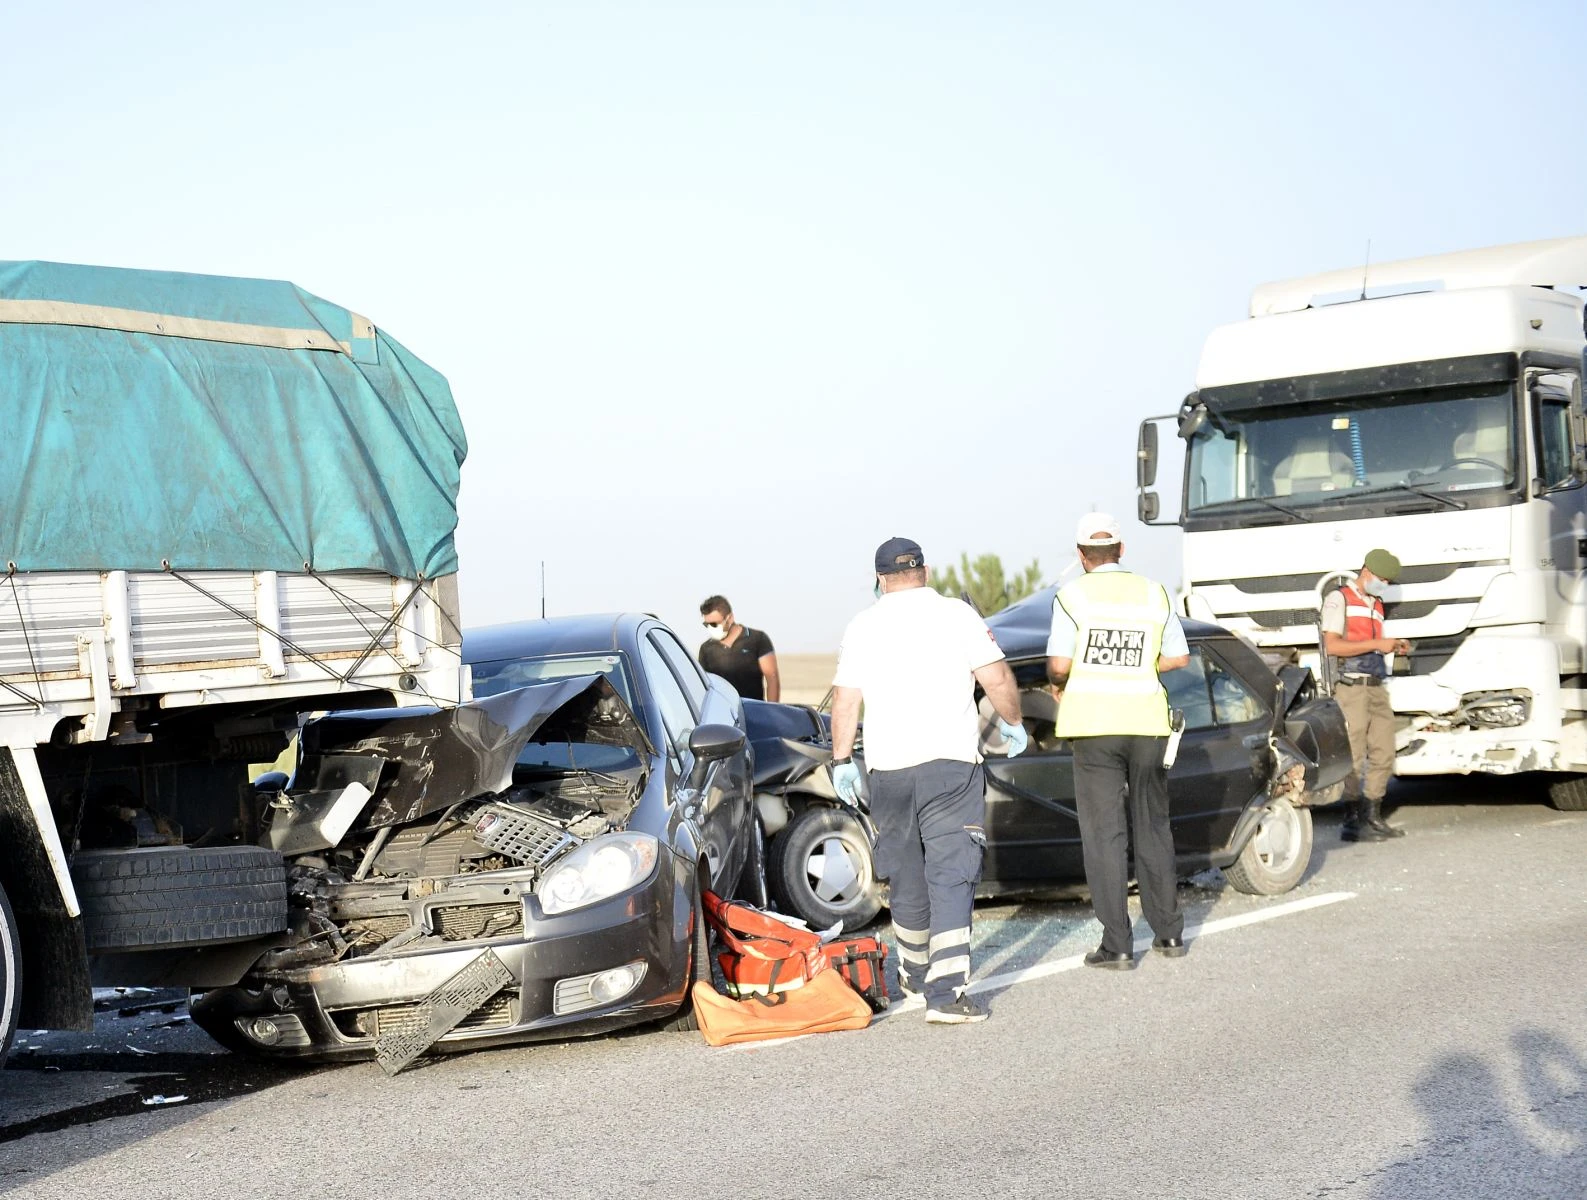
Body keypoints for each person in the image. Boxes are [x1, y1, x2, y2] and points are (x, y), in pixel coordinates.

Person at [829, 537, 1027, 1024]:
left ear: (879, 578)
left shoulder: (862, 625)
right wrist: (1014, 722)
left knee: (906, 873)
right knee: (952, 871)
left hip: (888, 770)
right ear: (925, 570)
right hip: (950, 766)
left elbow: (845, 701)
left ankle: (915, 975)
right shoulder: (956, 615)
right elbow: (997, 677)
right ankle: (946, 994)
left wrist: (841, 760)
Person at [1047, 512, 1190, 970]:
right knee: (1153, 826)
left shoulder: (1070, 596)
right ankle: (1169, 935)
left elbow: (1058, 666)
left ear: (1081, 555)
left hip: (1094, 728)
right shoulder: (1155, 592)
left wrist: (1066, 679)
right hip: (1148, 723)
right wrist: (1138, 665)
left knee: (1105, 835)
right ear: (1122, 550)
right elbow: (1178, 657)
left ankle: (1118, 945)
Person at [1320, 548, 1409, 843]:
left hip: (1376, 685)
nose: (1383, 585)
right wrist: (1377, 643)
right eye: (1381, 579)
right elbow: (1331, 646)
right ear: (1366, 572)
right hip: (1352, 687)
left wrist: (1393, 645)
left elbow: (1372, 644)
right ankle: (1352, 819)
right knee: (1354, 755)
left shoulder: (1376, 603)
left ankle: (1372, 815)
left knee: (1385, 750)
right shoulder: (1339, 599)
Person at [697, 595, 780, 701]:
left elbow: (771, 677)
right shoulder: (706, 649)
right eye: (706, 624)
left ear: (729, 618)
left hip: (753, 710)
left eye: (714, 624)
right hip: (723, 712)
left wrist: (771, 711)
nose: (710, 628)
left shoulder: (757, 639)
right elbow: (705, 685)